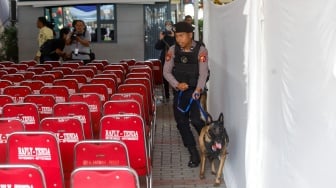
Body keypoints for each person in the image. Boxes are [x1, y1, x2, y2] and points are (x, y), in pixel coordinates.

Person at [163, 21, 209, 168]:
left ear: (190, 35)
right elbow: (166, 72)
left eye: (182, 36)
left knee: (195, 120)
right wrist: (177, 84)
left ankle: (207, 141)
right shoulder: (172, 50)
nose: (179, 39)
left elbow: (203, 74)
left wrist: (198, 91)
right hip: (180, 91)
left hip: (195, 90)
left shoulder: (201, 50)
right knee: (181, 122)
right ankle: (193, 152)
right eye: (177, 36)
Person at [155, 20, 175, 99]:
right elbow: (157, 47)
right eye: (167, 25)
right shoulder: (164, 34)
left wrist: (174, 37)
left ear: (172, 26)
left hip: (174, 59)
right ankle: (167, 95)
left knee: (174, 76)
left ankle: (175, 93)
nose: (168, 26)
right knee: (165, 76)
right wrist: (161, 39)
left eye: (170, 24)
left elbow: (178, 46)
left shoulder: (175, 35)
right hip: (165, 59)